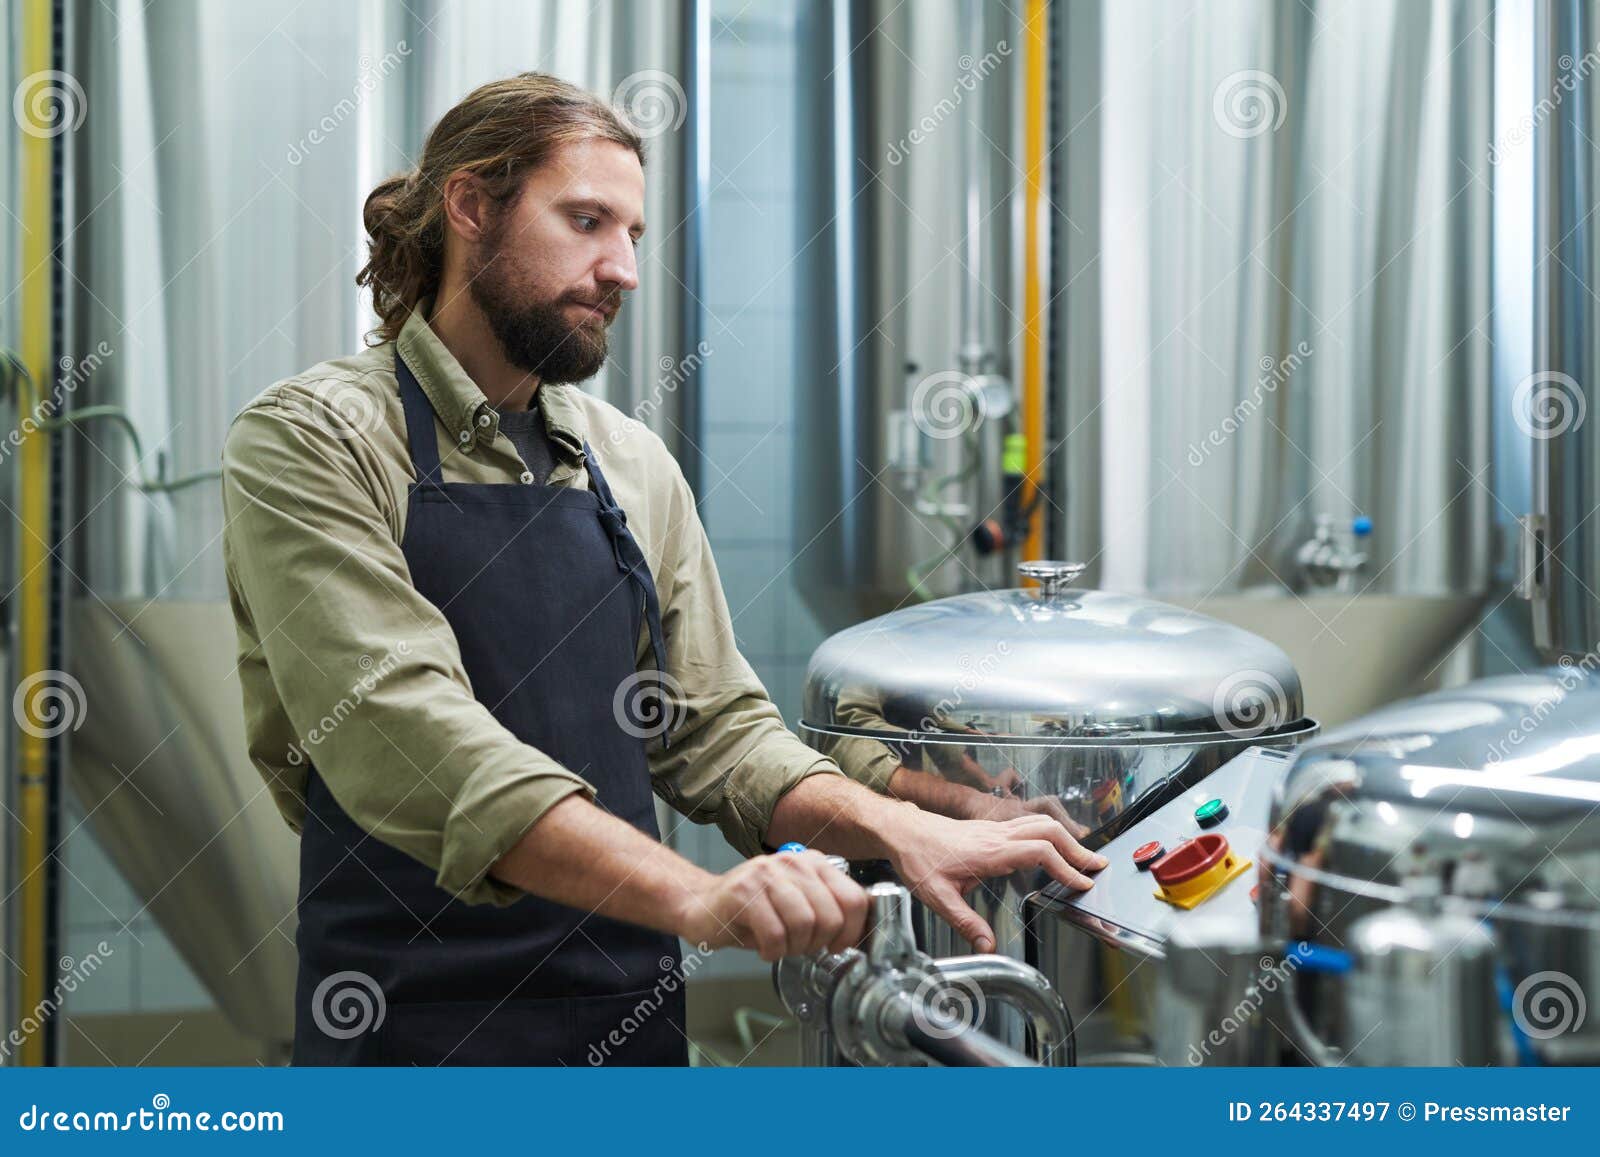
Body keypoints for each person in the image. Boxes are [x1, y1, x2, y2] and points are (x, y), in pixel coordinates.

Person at [221, 71, 1104, 1067]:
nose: (623, 268)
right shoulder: (311, 438)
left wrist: (901, 821)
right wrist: (698, 894)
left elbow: (717, 732)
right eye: (587, 220)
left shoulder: (628, 462)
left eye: (633, 234)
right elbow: (410, 734)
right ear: (470, 205)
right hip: (411, 1019)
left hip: (623, 1011)